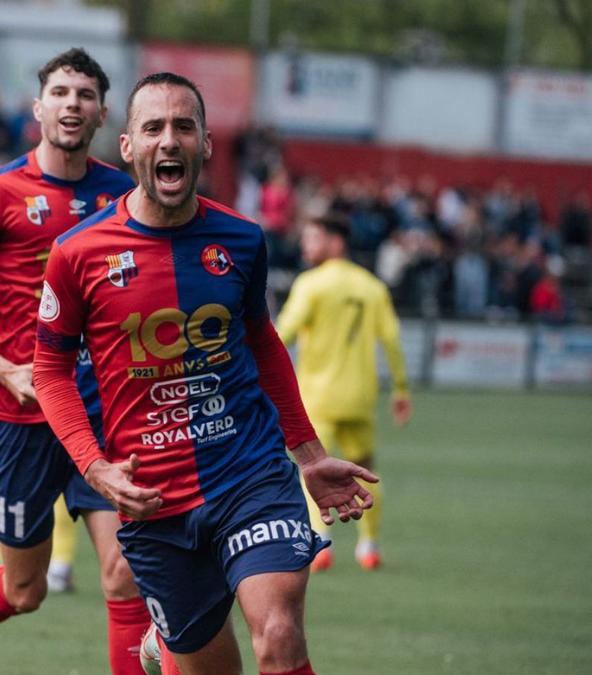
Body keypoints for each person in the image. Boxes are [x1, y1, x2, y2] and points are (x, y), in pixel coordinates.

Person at [33, 72, 378, 675]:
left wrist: (310, 455)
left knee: (278, 634)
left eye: (184, 127)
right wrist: (95, 467)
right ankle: (165, 646)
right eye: (154, 128)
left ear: (206, 144)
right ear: (129, 147)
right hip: (153, 500)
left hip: (249, 475)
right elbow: (51, 371)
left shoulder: (241, 240)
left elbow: (263, 343)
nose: (170, 140)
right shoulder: (77, 253)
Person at [0, 48, 146, 675]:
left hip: (103, 412)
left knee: (122, 573)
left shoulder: (122, 196)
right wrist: (3, 368)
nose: (71, 104)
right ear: (38, 107)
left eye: (83, 94)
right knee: (27, 590)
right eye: (60, 92)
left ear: (103, 113)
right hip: (18, 419)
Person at [276, 213, 411, 572]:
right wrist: (401, 388)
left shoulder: (311, 284)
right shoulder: (372, 287)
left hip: (317, 397)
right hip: (360, 398)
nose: (306, 245)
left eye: (314, 238)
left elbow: (282, 334)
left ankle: (322, 543)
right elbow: (392, 340)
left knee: (313, 467)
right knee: (366, 469)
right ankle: (369, 546)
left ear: (336, 242)